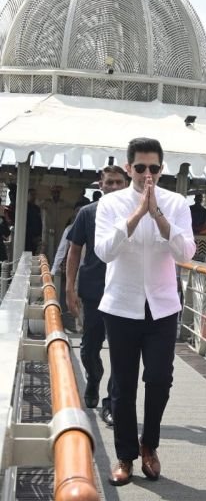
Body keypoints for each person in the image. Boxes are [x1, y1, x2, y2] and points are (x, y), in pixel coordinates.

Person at [95, 137, 196, 486]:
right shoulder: (110, 204)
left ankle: (149, 444)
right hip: (121, 305)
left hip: (162, 306)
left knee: (158, 379)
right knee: (123, 385)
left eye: (154, 168)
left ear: (162, 168)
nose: (147, 175)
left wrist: (159, 216)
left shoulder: (176, 203)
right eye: (140, 168)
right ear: (128, 168)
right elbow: (104, 252)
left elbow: (186, 253)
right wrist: (137, 215)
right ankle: (125, 456)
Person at [66, 166, 128, 423]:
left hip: (125, 291)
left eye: (118, 183)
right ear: (100, 185)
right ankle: (93, 376)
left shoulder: (134, 214)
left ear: (126, 184)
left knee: (122, 352)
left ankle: (111, 403)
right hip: (94, 289)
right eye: (109, 183)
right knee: (89, 347)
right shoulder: (87, 213)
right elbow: (74, 250)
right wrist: (69, 287)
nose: (113, 187)